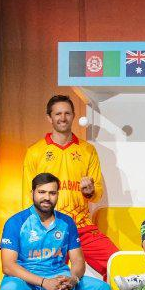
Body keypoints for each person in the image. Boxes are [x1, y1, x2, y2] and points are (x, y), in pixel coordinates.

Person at [22, 95, 118, 277]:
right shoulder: (35, 152)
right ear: (49, 118)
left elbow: (97, 193)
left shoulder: (87, 150)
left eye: (67, 113)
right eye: (58, 114)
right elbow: (28, 195)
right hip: (49, 227)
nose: (63, 118)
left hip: (81, 227)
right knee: (41, 278)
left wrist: (90, 192)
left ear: (73, 116)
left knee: (117, 265)